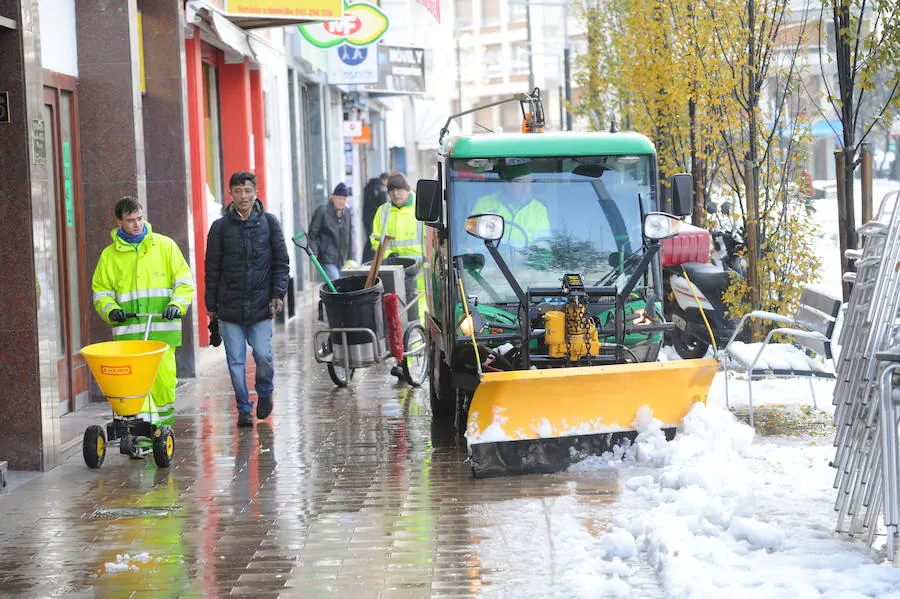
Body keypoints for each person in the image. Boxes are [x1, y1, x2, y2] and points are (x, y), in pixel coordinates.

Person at [92, 196, 194, 428]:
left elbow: (184, 281)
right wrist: (112, 311)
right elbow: (101, 293)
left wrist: (176, 305)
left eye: (139, 218)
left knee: (164, 383)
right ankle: (138, 434)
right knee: (132, 389)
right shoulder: (109, 256)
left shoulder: (165, 246)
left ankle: (162, 431)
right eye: (130, 220)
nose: (137, 224)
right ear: (119, 222)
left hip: (162, 334)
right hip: (128, 336)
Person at [205, 172, 290, 428]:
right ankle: (243, 407)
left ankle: (264, 392)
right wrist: (211, 306)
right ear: (230, 194)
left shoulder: (270, 224)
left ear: (256, 193)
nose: (243, 196)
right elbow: (212, 269)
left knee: (263, 355)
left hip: (261, 305)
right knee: (235, 362)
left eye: (248, 190)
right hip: (229, 307)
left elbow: (281, 263)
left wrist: (278, 293)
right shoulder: (219, 228)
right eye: (238, 191)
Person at [370, 171, 427, 323]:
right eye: (391, 190)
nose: (395, 194)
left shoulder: (421, 206)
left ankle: (417, 338)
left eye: (399, 190)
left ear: (407, 189)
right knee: (397, 308)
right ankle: (403, 341)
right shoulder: (383, 211)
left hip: (420, 269)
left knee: (419, 306)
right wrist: (388, 255)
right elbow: (375, 238)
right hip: (394, 270)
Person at [472, 174, 551, 247]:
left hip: (525, 261)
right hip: (490, 260)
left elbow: (543, 247)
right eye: (520, 183)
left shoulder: (538, 209)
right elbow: (472, 242)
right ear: (507, 183)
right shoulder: (485, 204)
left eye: (529, 183)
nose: (526, 190)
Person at [308, 182, 353, 282]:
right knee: (336, 283)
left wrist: (350, 257)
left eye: (344, 199)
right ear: (333, 197)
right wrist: (314, 253)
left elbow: (349, 235)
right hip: (326, 258)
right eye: (339, 198)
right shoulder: (322, 211)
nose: (342, 201)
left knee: (341, 286)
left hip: (342, 259)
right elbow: (312, 234)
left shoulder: (347, 212)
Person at [362, 172, 389, 262]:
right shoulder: (381, 188)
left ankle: (364, 260)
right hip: (374, 218)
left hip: (366, 217)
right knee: (373, 241)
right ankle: (369, 261)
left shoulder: (368, 186)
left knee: (369, 240)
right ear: (385, 180)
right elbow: (384, 206)